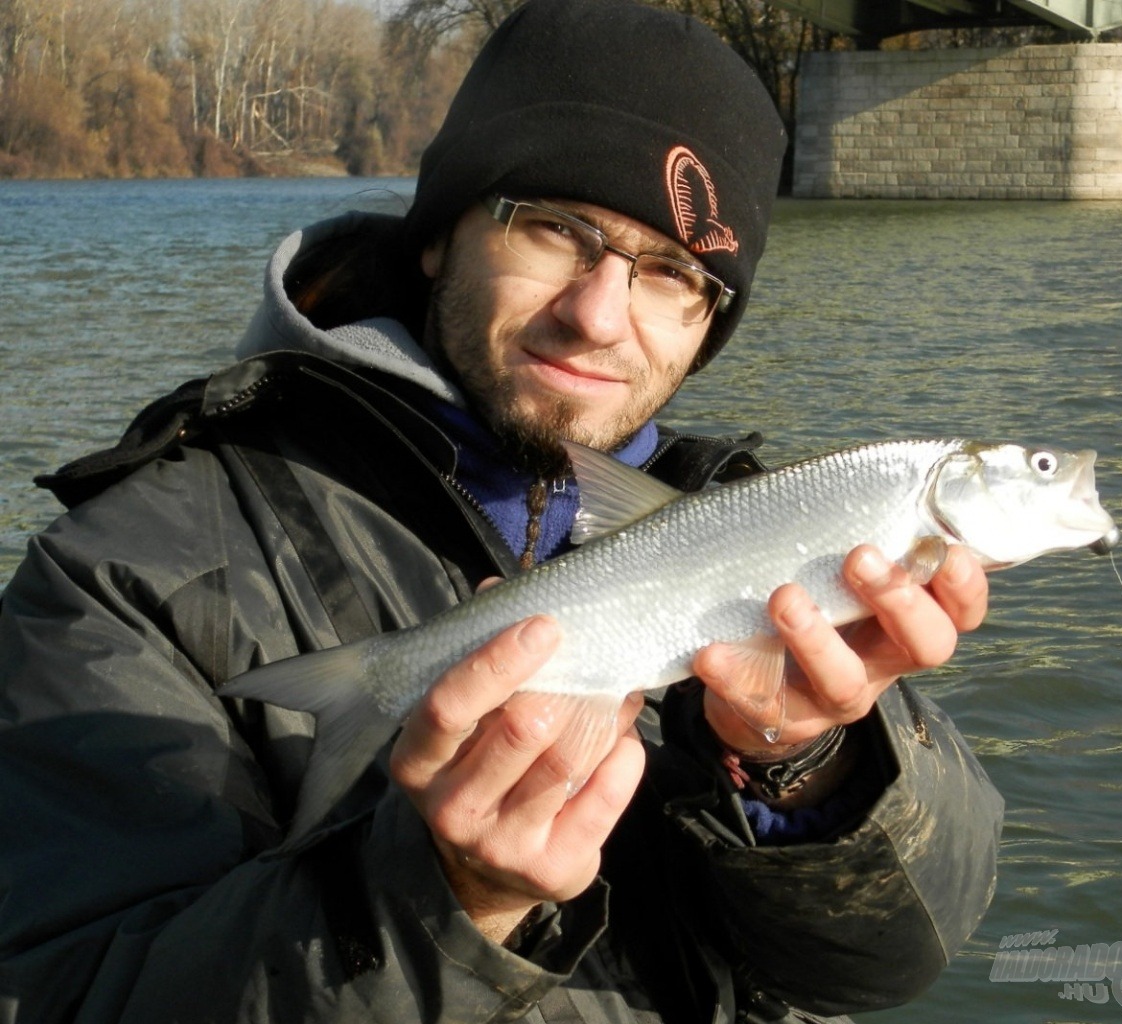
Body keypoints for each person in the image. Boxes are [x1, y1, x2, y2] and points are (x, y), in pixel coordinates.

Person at [0, 1, 1003, 1021]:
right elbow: (63, 996)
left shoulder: (761, 527)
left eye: (671, 274)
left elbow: (879, 967)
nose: (597, 314)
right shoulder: (119, 576)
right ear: (439, 236)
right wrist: (441, 901)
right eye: (556, 229)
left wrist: (800, 767)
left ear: (707, 325)